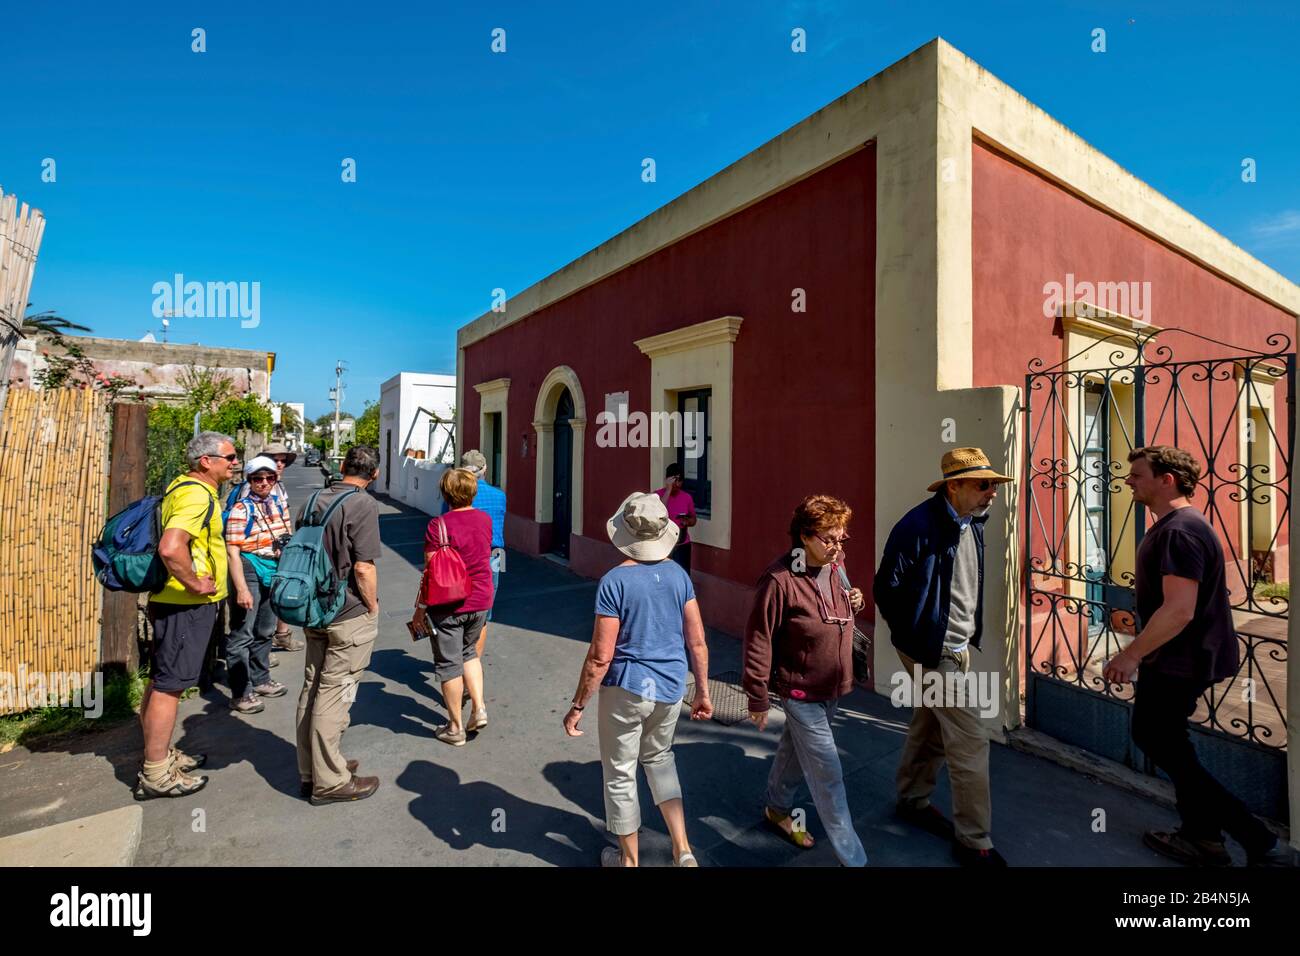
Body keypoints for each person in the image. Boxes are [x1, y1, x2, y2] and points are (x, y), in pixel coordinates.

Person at [1104, 446, 1293, 867]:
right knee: (1168, 743)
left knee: (1158, 740)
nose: (1129, 480)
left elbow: (1179, 610)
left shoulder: (1179, 532)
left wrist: (1131, 655)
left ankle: (1257, 840)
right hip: (1183, 657)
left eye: (1137, 474)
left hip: (1180, 660)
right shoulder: (1181, 524)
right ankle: (1203, 837)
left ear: (1166, 479)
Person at [874, 447, 1012, 867]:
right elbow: (886, 589)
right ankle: (974, 840)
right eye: (983, 484)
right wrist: (918, 638)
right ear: (954, 486)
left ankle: (912, 800)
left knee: (931, 725)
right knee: (971, 741)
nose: (992, 492)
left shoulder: (972, 522)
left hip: (954, 647)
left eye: (994, 484)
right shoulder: (917, 525)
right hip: (931, 652)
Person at [563, 492, 712, 868]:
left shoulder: (615, 582)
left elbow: (600, 656)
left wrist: (578, 704)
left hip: (627, 688)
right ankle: (683, 850)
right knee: (660, 759)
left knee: (620, 772)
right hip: (670, 687)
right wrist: (703, 693)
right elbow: (696, 640)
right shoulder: (679, 576)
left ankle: (628, 861)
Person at [743, 494, 869, 867]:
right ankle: (855, 858)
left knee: (794, 752)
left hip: (832, 684)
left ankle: (777, 808)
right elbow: (758, 637)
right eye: (828, 539)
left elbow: (835, 605)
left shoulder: (835, 565)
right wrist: (756, 697)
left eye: (841, 538)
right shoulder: (779, 580)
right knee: (829, 772)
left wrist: (855, 599)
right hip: (799, 690)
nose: (836, 547)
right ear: (804, 536)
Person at [135, 431, 238, 800]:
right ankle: (156, 772)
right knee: (170, 686)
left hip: (173, 601)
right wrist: (195, 584)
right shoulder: (196, 495)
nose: (235, 462)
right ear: (205, 462)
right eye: (229, 457)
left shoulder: (185, 489)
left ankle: (158, 756)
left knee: (161, 680)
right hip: (185, 605)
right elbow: (171, 546)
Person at [295, 445, 382, 805]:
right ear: (374, 474)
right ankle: (330, 781)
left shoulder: (314, 498)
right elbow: (363, 566)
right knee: (337, 693)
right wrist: (372, 606)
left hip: (312, 607)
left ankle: (312, 768)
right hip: (346, 612)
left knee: (312, 686)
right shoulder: (362, 504)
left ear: (343, 465)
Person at [414, 467, 494, 746]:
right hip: (482, 598)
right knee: (470, 653)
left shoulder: (439, 525)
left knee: (449, 665)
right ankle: (479, 708)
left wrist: (420, 607)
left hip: (449, 603)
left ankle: (455, 727)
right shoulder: (484, 519)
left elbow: (430, 567)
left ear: (446, 494)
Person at [223, 455, 292, 714]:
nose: (264, 483)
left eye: (269, 478)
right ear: (249, 480)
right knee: (243, 631)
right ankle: (241, 693)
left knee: (265, 628)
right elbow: (233, 552)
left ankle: (261, 679)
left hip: (273, 567)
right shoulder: (241, 509)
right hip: (250, 566)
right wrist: (241, 588)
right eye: (257, 479)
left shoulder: (278, 504)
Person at [441, 449, 506, 658]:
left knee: (458, 609)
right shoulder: (499, 496)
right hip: (494, 556)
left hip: (460, 557)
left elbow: (445, 526)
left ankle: (458, 659)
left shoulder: (453, 498)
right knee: (484, 612)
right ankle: (473, 661)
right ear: (484, 469)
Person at [253, 440, 304, 653]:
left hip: (281, 548)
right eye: (276, 460)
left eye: (283, 460)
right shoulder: (258, 485)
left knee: (281, 591)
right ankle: (259, 653)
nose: (280, 464)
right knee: (262, 602)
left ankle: (282, 635)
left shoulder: (279, 485)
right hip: (262, 552)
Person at [654, 463, 696, 574]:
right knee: (663, 576)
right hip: (663, 543)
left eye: (680, 481)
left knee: (683, 576)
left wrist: (688, 521)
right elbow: (658, 512)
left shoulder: (687, 497)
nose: (677, 484)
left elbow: (693, 520)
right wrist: (668, 490)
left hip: (682, 544)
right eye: (674, 480)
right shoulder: (657, 495)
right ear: (667, 480)